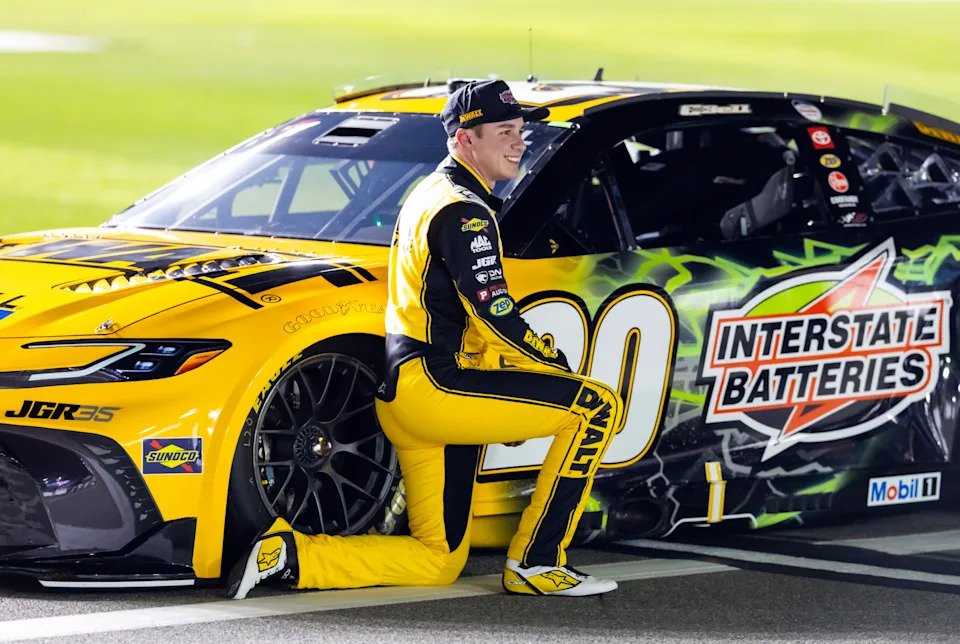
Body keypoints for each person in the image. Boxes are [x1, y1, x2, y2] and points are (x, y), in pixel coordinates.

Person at [227, 80, 626, 600]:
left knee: (438, 561)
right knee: (594, 407)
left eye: (521, 130)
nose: (519, 142)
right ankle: (537, 562)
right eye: (504, 131)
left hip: (409, 395)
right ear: (465, 140)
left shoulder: (430, 193)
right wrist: (556, 368)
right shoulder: (464, 210)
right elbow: (494, 314)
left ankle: (291, 556)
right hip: (439, 390)